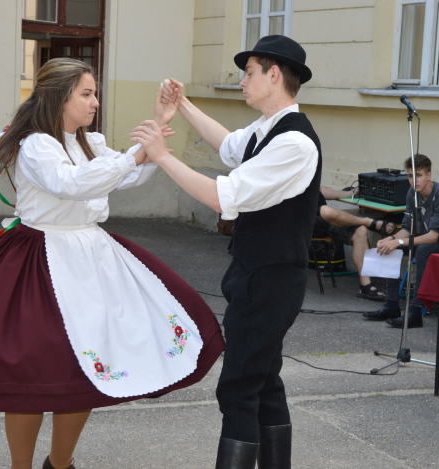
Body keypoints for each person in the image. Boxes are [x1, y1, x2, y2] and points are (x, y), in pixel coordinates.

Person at [0, 58, 224, 469]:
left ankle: (60, 463)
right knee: (30, 376)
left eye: (94, 93)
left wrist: (155, 134)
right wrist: (135, 156)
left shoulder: (91, 143)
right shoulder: (36, 144)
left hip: (92, 258)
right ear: (59, 97)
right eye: (86, 94)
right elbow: (70, 184)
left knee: (84, 372)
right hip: (39, 263)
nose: (94, 102)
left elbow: (122, 177)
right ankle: (21, 466)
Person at [132, 35, 318, 469]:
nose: (241, 81)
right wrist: (185, 103)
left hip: (271, 279)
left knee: (237, 386)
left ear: (274, 75)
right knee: (263, 381)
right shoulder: (268, 129)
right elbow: (229, 145)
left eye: (248, 72)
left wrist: (162, 156)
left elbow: (223, 197)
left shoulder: (295, 143)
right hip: (255, 273)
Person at [362, 154, 439, 328]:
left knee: (422, 250)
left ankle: (415, 312)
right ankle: (391, 305)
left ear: (429, 175)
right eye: (411, 176)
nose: (414, 181)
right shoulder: (412, 193)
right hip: (425, 240)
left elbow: (433, 236)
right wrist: (390, 240)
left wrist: (400, 242)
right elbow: (406, 228)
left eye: (419, 175)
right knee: (392, 248)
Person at [314, 186, 395, 300]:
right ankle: (368, 221)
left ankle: (365, 285)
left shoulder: (308, 174)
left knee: (360, 230)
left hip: (325, 222)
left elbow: (320, 190)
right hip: (306, 225)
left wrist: (350, 193)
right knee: (325, 210)